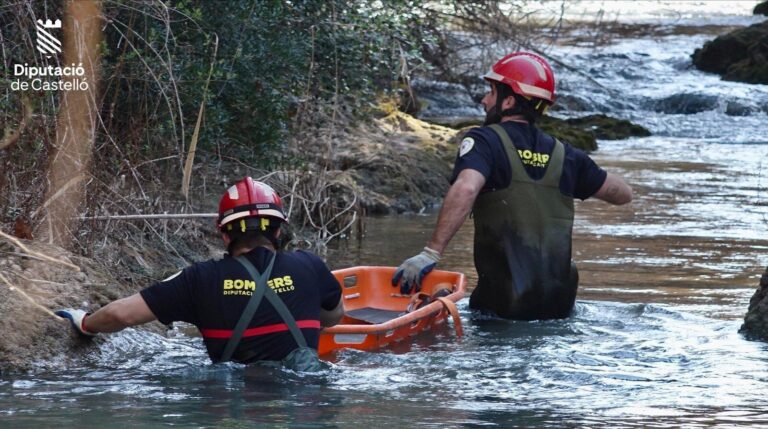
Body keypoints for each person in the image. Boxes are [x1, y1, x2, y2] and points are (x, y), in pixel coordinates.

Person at [392, 52, 633, 321]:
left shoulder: (484, 141)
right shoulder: (567, 155)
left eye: (491, 92)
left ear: (508, 101)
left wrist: (430, 253)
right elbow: (623, 194)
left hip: (502, 309)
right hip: (560, 307)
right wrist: (581, 174)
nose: (484, 100)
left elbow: (467, 188)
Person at [57, 177, 344, 370]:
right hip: (304, 399)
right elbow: (333, 317)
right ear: (278, 231)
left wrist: (86, 323)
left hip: (230, 400)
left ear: (224, 235)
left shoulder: (199, 279)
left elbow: (121, 315)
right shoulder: (310, 266)